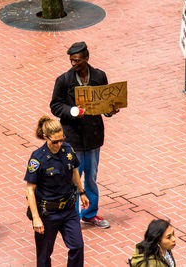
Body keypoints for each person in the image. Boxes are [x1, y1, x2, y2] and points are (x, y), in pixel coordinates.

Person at [50, 41, 118, 228]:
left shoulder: (99, 76)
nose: (73, 64)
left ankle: (89, 214)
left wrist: (111, 110)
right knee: (74, 177)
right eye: (71, 60)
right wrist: (72, 111)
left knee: (91, 178)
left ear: (86, 59)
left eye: (77, 60)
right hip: (73, 138)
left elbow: (105, 104)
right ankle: (70, 216)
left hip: (93, 137)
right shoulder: (63, 80)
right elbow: (55, 105)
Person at [24, 115, 90, 267]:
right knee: (44, 254)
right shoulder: (37, 158)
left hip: (68, 210)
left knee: (77, 246)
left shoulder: (67, 149)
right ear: (46, 137)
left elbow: (74, 170)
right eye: (55, 141)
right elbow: (30, 189)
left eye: (62, 139)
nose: (59, 144)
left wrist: (82, 192)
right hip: (48, 213)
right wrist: (36, 218)